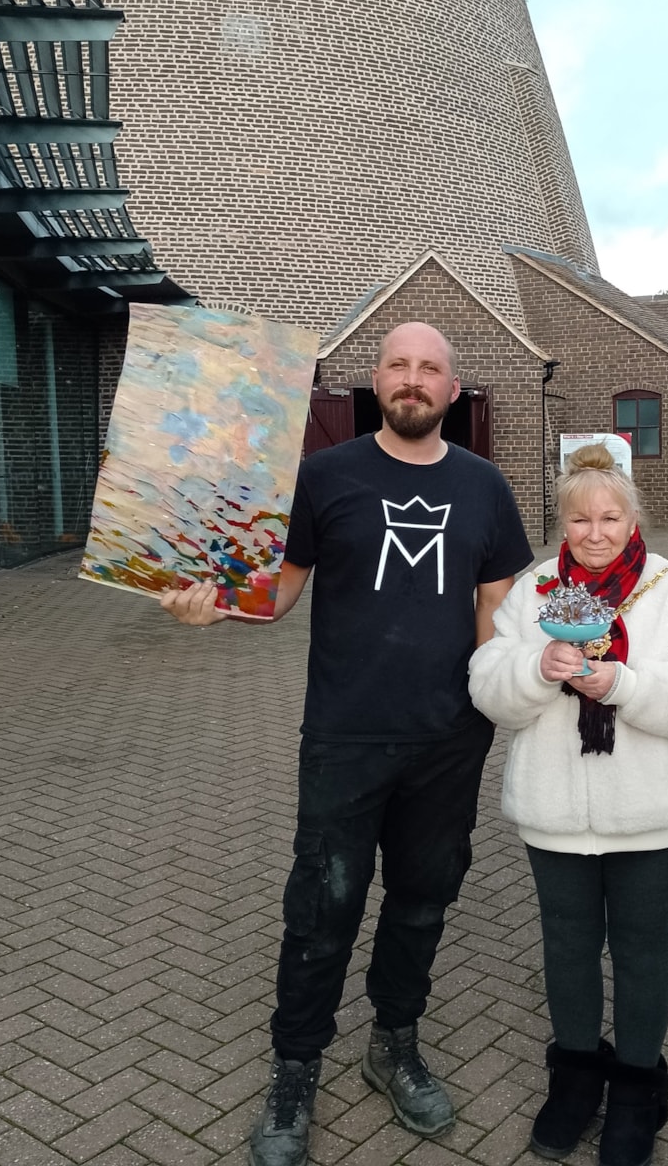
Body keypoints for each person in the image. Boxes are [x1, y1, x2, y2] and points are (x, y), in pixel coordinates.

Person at [161, 322, 533, 1166]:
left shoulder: (485, 488)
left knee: (423, 900)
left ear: (450, 385)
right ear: (377, 380)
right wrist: (206, 600)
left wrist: (531, 691)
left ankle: (393, 1043)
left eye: (430, 367)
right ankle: (295, 1068)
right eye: (399, 365)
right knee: (322, 908)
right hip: (345, 735)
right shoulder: (323, 477)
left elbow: (498, 621)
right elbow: (278, 595)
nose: (413, 379)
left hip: (449, 740)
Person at [468, 444, 668, 1166]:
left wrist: (620, 683)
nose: (594, 532)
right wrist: (534, 668)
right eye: (580, 519)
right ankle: (577, 1076)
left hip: (650, 813)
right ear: (563, 523)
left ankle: (639, 1086)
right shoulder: (533, 592)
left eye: (609, 516)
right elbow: (487, 685)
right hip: (555, 812)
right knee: (567, 949)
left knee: (644, 953)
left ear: (632, 518)